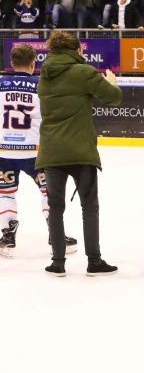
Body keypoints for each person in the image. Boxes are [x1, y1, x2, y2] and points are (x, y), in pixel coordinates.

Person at [36, 31, 123, 277]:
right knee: (89, 207)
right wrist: (112, 83)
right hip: (80, 149)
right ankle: (94, 261)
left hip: (52, 150)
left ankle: (58, 262)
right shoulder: (83, 72)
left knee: (55, 208)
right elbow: (113, 98)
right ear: (76, 51)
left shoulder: (44, 75)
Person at [0, 44, 77, 259]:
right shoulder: (41, 84)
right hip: (35, 152)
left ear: (11, 64)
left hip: (4, 151)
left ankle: (7, 235)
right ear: (34, 64)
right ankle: (56, 236)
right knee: (49, 193)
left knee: (5, 193)